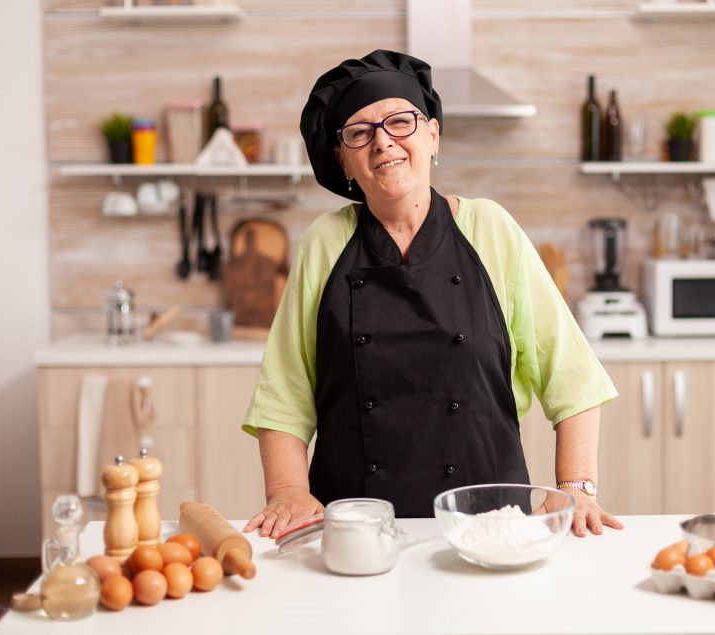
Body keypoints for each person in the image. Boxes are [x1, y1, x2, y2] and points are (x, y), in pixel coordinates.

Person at [242, 49, 620, 539]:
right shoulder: (325, 241)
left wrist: (578, 488)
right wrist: (287, 490)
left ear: (434, 135)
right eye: (359, 133)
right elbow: (283, 396)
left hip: (490, 527)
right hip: (356, 531)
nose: (383, 142)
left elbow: (573, 380)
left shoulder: (491, 228)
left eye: (401, 122)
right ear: (344, 162)